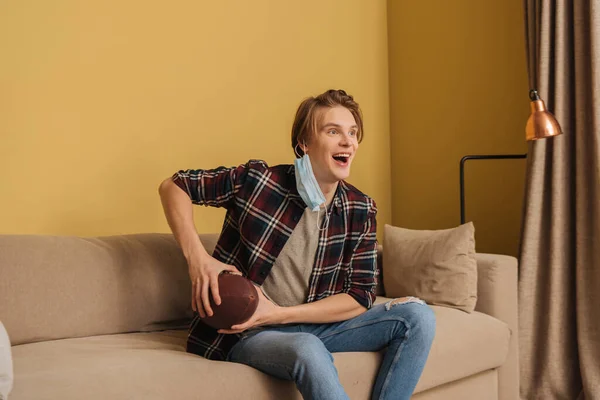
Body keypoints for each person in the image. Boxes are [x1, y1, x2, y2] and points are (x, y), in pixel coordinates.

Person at [158, 89, 435, 400]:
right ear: (305, 143)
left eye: (353, 133)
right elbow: (174, 185)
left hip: (308, 324)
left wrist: (279, 314)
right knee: (307, 347)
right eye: (334, 131)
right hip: (249, 332)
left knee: (418, 317)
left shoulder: (360, 207)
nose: (348, 142)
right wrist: (198, 259)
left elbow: (360, 295)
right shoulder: (258, 181)